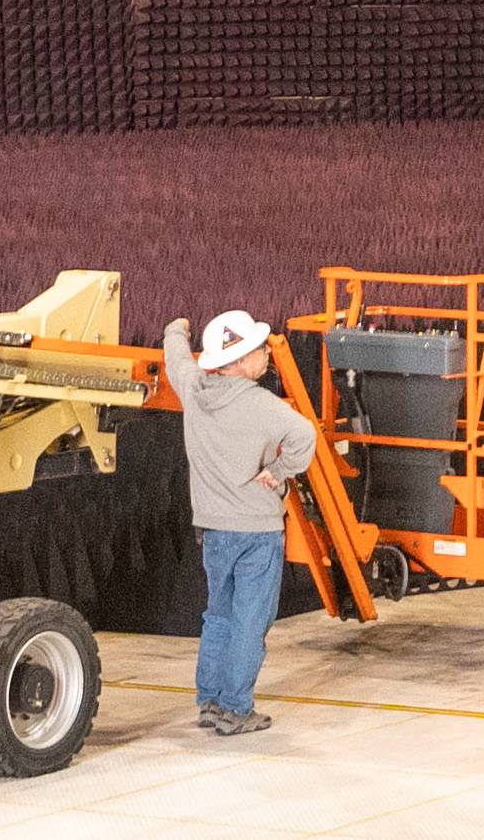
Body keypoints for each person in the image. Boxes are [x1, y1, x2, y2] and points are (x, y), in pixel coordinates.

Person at [174, 309, 318, 736]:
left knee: (218, 614)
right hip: (257, 532)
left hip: (214, 531)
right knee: (250, 621)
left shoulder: (194, 389)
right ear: (237, 362)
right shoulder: (261, 405)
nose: (264, 356)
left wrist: (175, 330)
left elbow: (175, 359)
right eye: (257, 350)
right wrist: (278, 470)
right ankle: (236, 708)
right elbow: (306, 436)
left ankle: (210, 701)